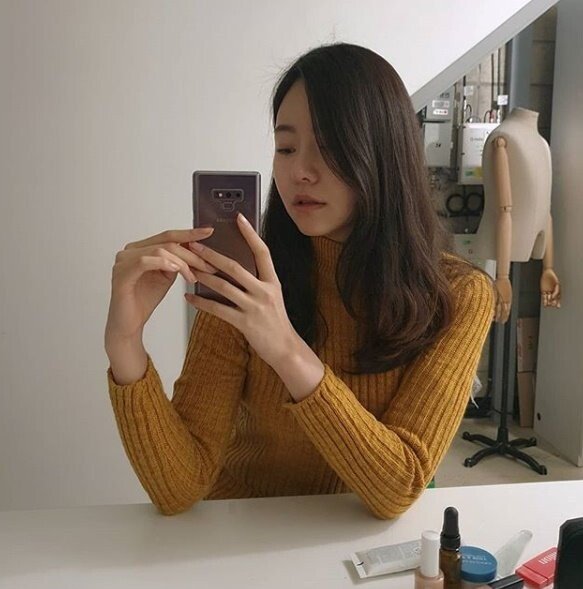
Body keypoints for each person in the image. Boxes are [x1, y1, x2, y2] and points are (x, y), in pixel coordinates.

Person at [104, 43, 495, 519]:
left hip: (354, 545)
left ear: (382, 155)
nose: (299, 173)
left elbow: (399, 487)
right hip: (247, 535)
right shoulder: (246, 279)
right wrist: (125, 344)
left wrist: (285, 350)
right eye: (285, 148)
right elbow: (179, 487)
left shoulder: (457, 295)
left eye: (329, 148)